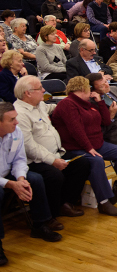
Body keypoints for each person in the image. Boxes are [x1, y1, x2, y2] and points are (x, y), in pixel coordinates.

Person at [51, 76, 117, 216]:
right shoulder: (68, 104)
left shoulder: (87, 102)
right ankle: (104, 202)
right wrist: (89, 148)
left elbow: (106, 122)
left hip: (96, 144)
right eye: (88, 88)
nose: (91, 91)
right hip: (76, 147)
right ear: (82, 88)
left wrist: (101, 102)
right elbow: (76, 130)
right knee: (96, 161)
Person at [14, 76, 91, 225]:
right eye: (39, 88)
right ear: (27, 93)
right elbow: (29, 146)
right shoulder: (20, 114)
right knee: (54, 176)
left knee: (82, 163)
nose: (44, 90)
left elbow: (54, 107)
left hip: (57, 152)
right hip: (35, 160)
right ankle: (51, 214)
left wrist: (72, 104)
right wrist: (53, 161)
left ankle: (65, 202)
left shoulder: (39, 105)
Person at [0, 101, 64, 265]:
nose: (17, 122)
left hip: (9, 173)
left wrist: (20, 179)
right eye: (12, 119)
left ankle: (39, 224)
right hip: (2, 180)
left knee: (34, 179)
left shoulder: (16, 132)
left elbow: (19, 160)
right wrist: (10, 185)